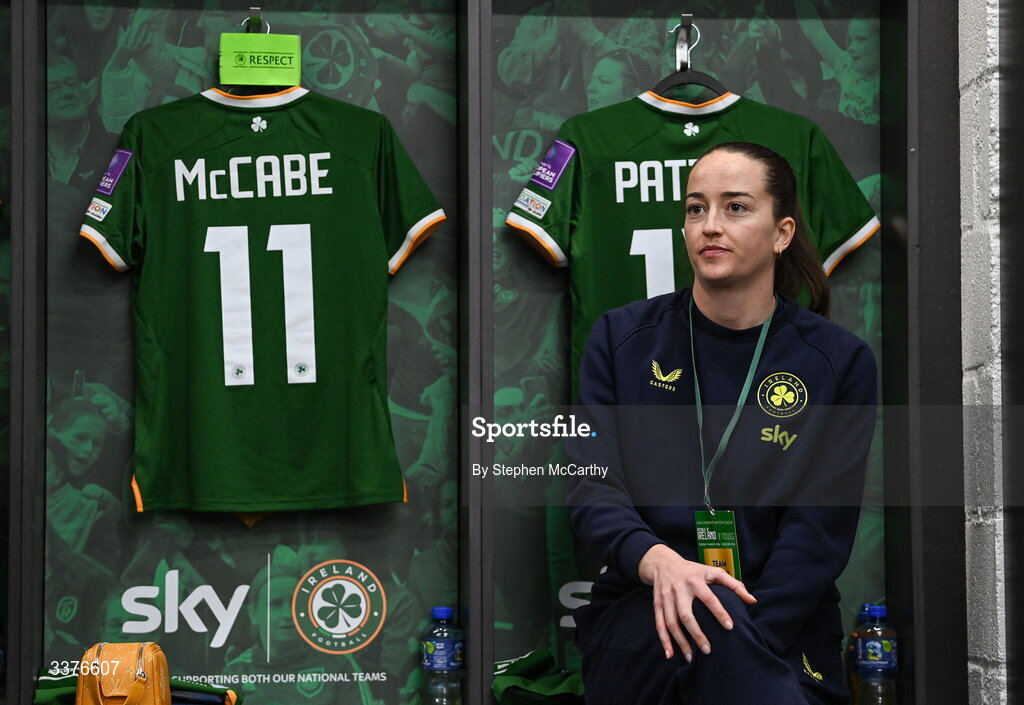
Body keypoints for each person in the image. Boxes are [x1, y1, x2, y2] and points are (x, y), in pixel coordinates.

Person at [567, 141, 877, 705]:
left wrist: (739, 638)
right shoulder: (620, 340)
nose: (709, 225)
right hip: (647, 607)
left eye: (735, 207)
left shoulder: (840, 362)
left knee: (726, 649)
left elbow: (819, 532)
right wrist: (657, 561)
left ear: (782, 233)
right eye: (695, 208)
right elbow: (591, 486)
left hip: (784, 618)